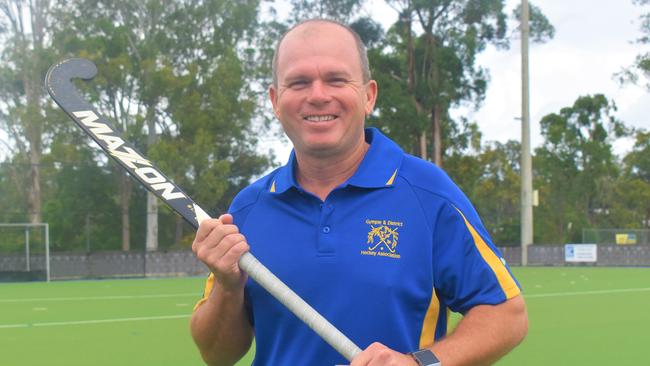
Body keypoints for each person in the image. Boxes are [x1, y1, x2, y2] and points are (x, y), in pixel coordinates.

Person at [190, 19, 528, 366]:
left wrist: (418, 363)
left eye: (336, 79)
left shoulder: (428, 193)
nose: (318, 95)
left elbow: (507, 314)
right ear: (276, 101)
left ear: (368, 96)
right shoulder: (248, 209)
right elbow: (218, 355)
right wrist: (228, 288)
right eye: (299, 82)